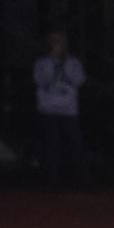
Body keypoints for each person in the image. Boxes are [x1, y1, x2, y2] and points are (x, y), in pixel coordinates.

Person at [34, 29, 86, 187]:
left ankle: (80, 180)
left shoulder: (73, 63)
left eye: (60, 42)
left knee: (75, 145)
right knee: (51, 146)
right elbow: (41, 80)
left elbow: (79, 80)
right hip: (48, 109)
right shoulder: (42, 63)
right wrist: (54, 65)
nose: (58, 45)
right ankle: (52, 181)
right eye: (54, 42)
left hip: (69, 110)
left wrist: (65, 68)